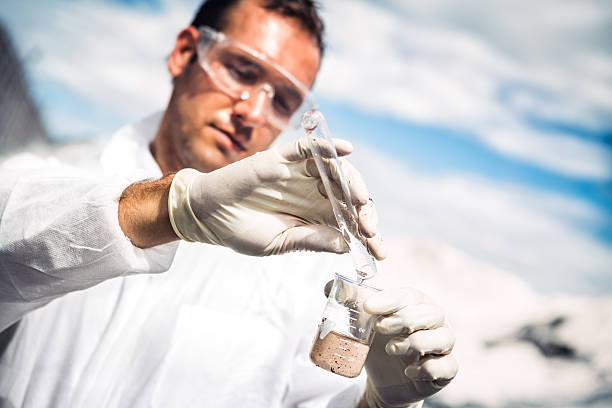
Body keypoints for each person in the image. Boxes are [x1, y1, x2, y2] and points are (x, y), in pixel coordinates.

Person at [0, 0, 457, 407]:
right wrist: (170, 209)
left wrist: (376, 406)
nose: (253, 112)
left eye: (283, 99)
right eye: (241, 70)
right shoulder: (50, 175)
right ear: (184, 52)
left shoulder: (299, 281)